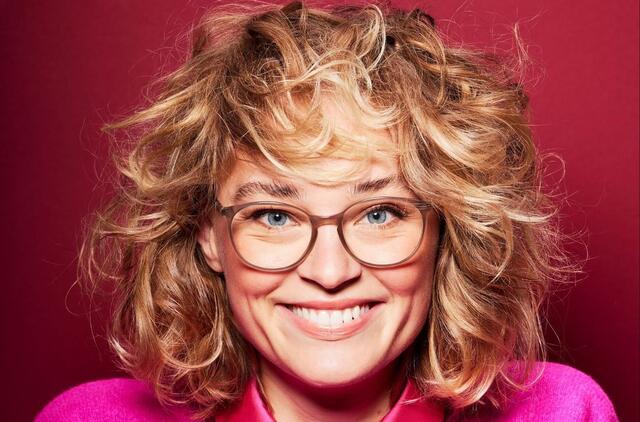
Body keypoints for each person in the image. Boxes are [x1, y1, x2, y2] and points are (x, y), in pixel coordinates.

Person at [36, 1, 618, 421]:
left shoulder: (563, 411)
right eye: (275, 216)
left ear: (446, 228)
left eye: (379, 213)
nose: (331, 272)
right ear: (208, 234)